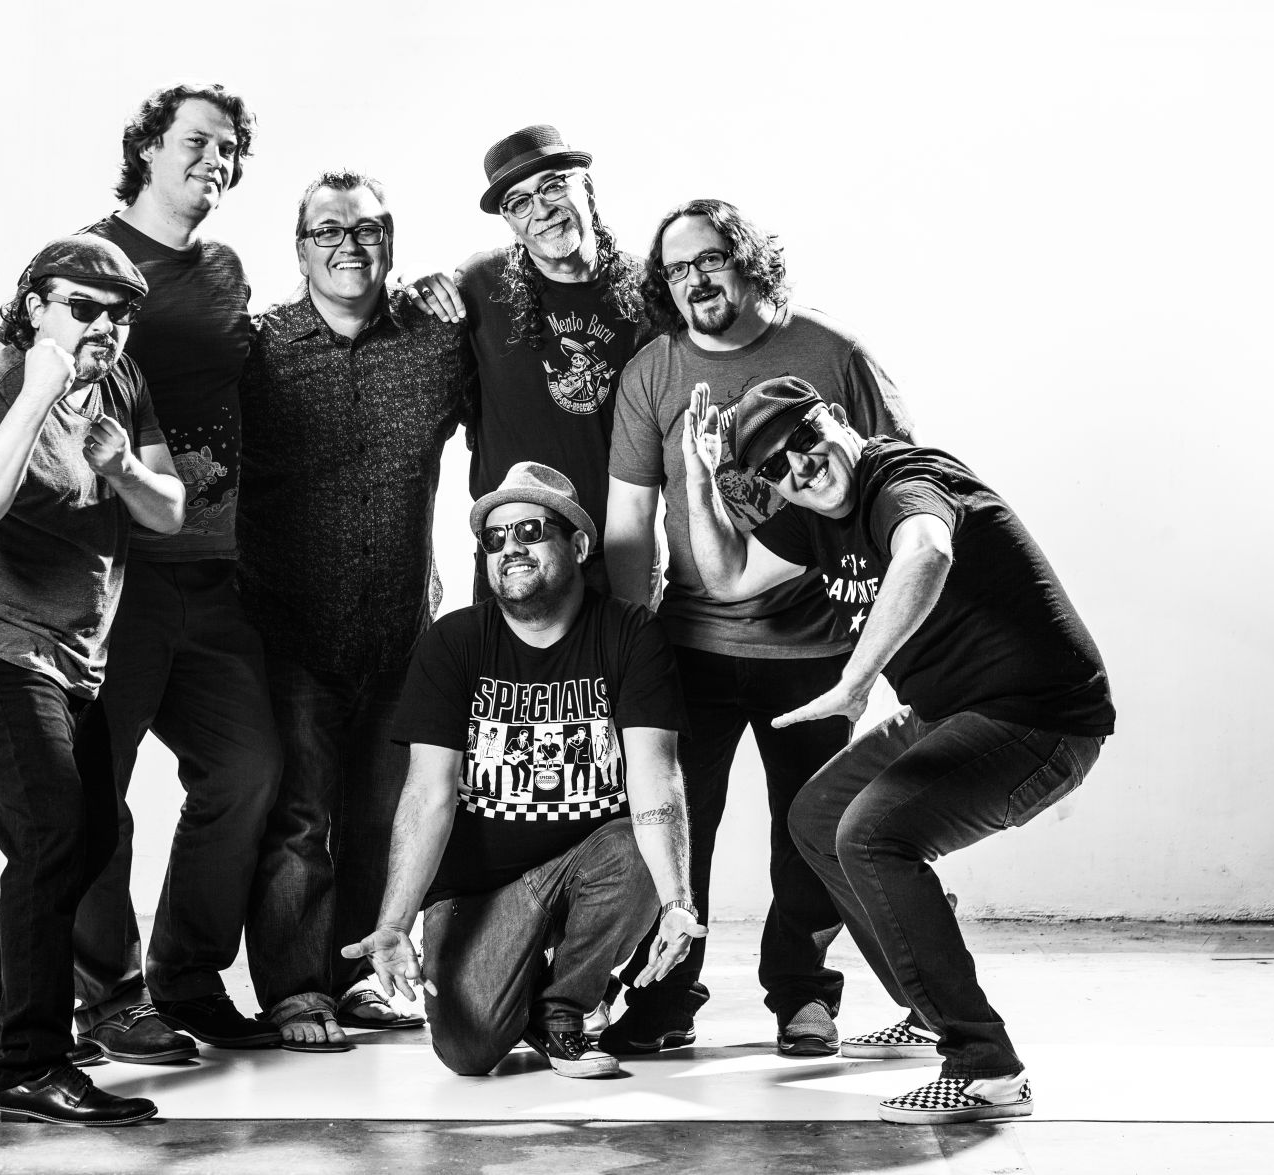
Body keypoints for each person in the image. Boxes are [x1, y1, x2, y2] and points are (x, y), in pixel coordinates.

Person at [0, 83, 279, 1057]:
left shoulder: (200, 292)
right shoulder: (73, 282)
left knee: (227, 775)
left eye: (230, 147)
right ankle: (90, 1008)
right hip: (51, 613)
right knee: (74, 818)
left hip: (182, 578)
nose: (215, 159)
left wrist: (126, 468)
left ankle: (54, 999)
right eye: (195, 140)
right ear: (146, 147)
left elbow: (170, 474)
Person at [681, 375, 1114, 1124]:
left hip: (1041, 721)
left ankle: (986, 1069)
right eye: (777, 466)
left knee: (872, 833)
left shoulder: (903, 480)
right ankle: (927, 1008)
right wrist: (697, 474)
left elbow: (926, 551)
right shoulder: (815, 518)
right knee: (819, 817)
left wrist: (855, 681)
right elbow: (727, 576)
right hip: (948, 715)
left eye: (806, 440)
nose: (801, 468)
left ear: (837, 421)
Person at [601, 199, 915, 1057]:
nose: (694, 280)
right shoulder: (654, 371)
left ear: (749, 260)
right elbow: (628, 524)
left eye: (709, 259)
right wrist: (631, 647)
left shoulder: (833, 353)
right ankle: (664, 996)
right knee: (673, 828)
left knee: (808, 830)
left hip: (815, 648)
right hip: (690, 647)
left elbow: (897, 485)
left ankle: (801, 994)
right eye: (676, 269)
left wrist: (875, 641)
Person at [0, 234, 187, 1125]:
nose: (103, 327)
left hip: (74, 664)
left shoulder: (121, 386)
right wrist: (39, 391)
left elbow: (169, 511)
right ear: (35, 307)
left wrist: (122, 466)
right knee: (54, 832)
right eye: (82, 307)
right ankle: (30, 1064)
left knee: (84, 835)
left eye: (119, 313)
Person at [342, 463, 706, 1079]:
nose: (509, 547)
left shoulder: (629, 633)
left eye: (530, 530)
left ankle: (564, 1008)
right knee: (469, 1051)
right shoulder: (454, 642)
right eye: (494, 537)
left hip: (589, 866)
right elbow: (427, 794)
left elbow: (656, 777)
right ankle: (529, 981)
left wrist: (676, 901)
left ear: (579, 545)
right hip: (479, 890)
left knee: (636, 849)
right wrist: (394, 923)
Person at [236, 169, 467, 1050]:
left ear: (390, 240)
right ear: (299, 250)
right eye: (326, 230)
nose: (348, 245)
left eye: (365, 229)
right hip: (289, 628)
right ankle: (297, 991)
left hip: (399, 630)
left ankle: (366, 974)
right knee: (299, 820)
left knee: (381, 815)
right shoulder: (258, 350)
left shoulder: (436, 342)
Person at [406, 125, 652, 599]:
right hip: (511, 554)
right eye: (518, 202)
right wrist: (412, 288)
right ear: (508, 219)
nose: (541, 210)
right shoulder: (480, 284)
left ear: (586, 187)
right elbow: (419, 347)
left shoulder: (648, 291)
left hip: (618, 557)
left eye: (553, 186)